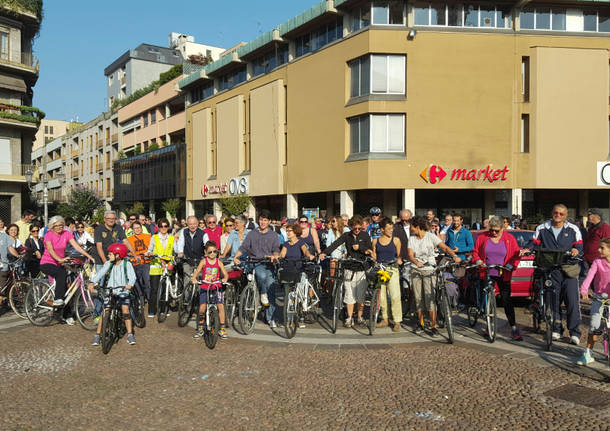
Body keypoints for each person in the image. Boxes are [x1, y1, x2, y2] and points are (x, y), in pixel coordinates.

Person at [530, 204, 583, 344]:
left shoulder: (573, 229)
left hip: (569, 269)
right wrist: (526, 249)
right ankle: (556, 329)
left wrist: (576, 250)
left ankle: (575, 332)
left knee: (572, 302)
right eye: (556, 212)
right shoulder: (542, 228)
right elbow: (534, 242)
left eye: (561, 213)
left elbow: (579, 245)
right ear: (552, 213)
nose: (558, 215)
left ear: (565, 216)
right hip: (551, 270)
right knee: (553, 301)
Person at [472, 216, 523, 341]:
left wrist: (512, 265)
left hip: (503, 273)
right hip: (487, 271)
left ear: (502, 228)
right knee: (488, 296)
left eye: (496, 230)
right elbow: (475, 252)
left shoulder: (509, 239)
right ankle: (488, 323)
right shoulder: (483, 237)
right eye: (491, 230)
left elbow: (516, 254)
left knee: (506, 300)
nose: (493, 233)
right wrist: (478, 261)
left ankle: (514, 327)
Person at [408, 216, 460, 336]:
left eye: (412, 227)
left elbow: (444, 247)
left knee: (430, 299)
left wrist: (454, 256)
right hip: (416, 270)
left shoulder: (430, 236)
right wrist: (416, 262)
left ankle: (433, 325)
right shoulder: (412, 239)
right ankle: (420, 323)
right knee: (418, 298)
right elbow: (410, 255)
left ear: (417, 227)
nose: (410, 229)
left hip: (429, 270)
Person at [320, 215, 372, 327]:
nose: (357, 231)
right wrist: (324, 253)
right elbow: (335, 244)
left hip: (362, 268)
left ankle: (359, 316)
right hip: (349, 268)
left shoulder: (365, 235)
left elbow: (370, 249)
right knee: (349, 294)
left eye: (359, 228)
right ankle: (349, 318)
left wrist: (361, 249)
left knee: (361, 295)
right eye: (355, 228)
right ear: (351, 226)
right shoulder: (346, 235)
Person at [233, 210, 281, 327]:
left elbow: (276, 250)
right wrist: (236, 256)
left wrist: (274, 256)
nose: (263, 222)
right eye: (261, 219)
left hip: (268, 265)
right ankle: (262, 293)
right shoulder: (252, 234)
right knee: (261, 276)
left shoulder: (274, 235)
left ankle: (271, 318)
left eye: (265, 220)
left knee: (271, 290)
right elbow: (244, 247)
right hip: (255, 263)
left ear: (269, 222)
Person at [39, 216, 94, 307]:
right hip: (47, 262)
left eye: (61, 225)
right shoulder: (48, 235)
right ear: (52, 226)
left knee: (68, 284)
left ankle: (65, 313)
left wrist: (89, 256)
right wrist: (59, 259)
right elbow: (50, 250)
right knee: (61, 273)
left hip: (60, 263)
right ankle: (57, 299)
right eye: (56, 226)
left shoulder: (67, 233)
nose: (59, 227)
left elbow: (76, 246)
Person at [89, 243, 137, 346]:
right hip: (110, 291)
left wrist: (129, 285)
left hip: (123, 291)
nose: (108, 256)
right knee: (105, 311)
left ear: (118, 255)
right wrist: (93, 282)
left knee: (125, 310)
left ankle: (130, 334)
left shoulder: (127, 264)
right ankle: (97, 335)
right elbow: (101, 273)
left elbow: (132, 277)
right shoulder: (108, 264)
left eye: (110, 254)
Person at [577, 237, 610, 365]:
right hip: (599, 297)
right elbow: (590, 275)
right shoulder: (597, 261)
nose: (598, 249)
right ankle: (588, 353)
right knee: (594, 324)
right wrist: (584, 289)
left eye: (602, 248)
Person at [192, 241, 229, 339]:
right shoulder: (203, 261)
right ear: (205, 253)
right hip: (205, 287)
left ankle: (222, 328)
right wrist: (194, 278)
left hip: (216, 287)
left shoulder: (219, 262)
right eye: (210, 252)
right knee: (202, 308)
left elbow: (226, 274)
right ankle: (200, 328)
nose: (212, 254)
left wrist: (225, 278)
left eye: (214, 251)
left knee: (220, 306)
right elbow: (197, 271)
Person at [280, 223, 314, 328]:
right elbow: (282, 255)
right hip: (288, 270)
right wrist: (277, 257)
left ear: (295, 232)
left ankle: (302, 311)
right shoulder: (286, 244)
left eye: (290, 231)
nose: (288, 233)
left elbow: (305, 251)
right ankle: (289, 320)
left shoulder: (301, 242)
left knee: (302, 288)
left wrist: (309, 256)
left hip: (299, 270)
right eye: (287, 231)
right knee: (288, 296)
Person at [372, 218, 403, 332]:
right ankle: (385, 319)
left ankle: (397, 321)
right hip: (381, 269)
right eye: (389, 228)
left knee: (395, 296)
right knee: (382, 297)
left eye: (392, 228)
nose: (391, 230)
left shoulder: (396, 240)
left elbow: (399, 255)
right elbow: (375, 256)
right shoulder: (375, 241)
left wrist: (399, 260)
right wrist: (371, 254)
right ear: (382, 229)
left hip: (392, 269)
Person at [175, 216, 207, 320]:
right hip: (187, 260)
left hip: (199, 262)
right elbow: (180, 244)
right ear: (187, 225)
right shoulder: (184, 233)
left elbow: (207, 244)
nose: (192, 226)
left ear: (197, 224)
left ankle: (198, 307)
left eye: (194, 224)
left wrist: (207, 254)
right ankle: (187, 307)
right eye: (190, 224)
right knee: (187, 282)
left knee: (199, 285)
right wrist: (180, 252)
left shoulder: (203, 234)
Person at [146, 218, 174, 318]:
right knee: (154, 289)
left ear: (168, 227)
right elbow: (149, 249)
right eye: (161, 226)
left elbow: (175, 250)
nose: (163, 228)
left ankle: (163, 309)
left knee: (165, 290)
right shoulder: (154, 237)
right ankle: (151, 310)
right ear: (158, 227)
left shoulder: (172, 238)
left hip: (167, 267)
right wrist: (149, 253)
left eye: (165, 226)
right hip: (155, 266)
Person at [126, 221, 152, 304]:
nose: (137, 230)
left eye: (138, 228)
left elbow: (152, 248)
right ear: (132, 230)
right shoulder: (129, 239)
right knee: (138, 282)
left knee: (147, 281)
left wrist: (149, 253)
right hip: (135, 263)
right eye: (135, 228)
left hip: (146, 262)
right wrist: (130, 255)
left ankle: (149, 299)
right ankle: (141, 299)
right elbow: (127, 251)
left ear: (141, 228)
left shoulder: (148, 236)